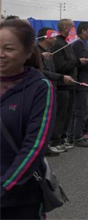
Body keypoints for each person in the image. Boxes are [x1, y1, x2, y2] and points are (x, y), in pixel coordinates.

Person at [0, 19, 56, 219]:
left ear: (27, 52)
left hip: (20, 198)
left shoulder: (40, 87)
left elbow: (35, 146)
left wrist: (6, 186)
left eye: (8, 48)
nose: (1, 54)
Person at [50, 19, 77, 151]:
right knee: (61, 114)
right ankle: (55, 141)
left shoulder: (66, 43)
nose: (74, 30)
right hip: (62, 85)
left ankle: (62, 139)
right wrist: (76, 61)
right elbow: (59, 66)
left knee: (68, 114)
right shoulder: (58, 44)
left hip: (70, 85)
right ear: (66, 28)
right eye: (72, 27)